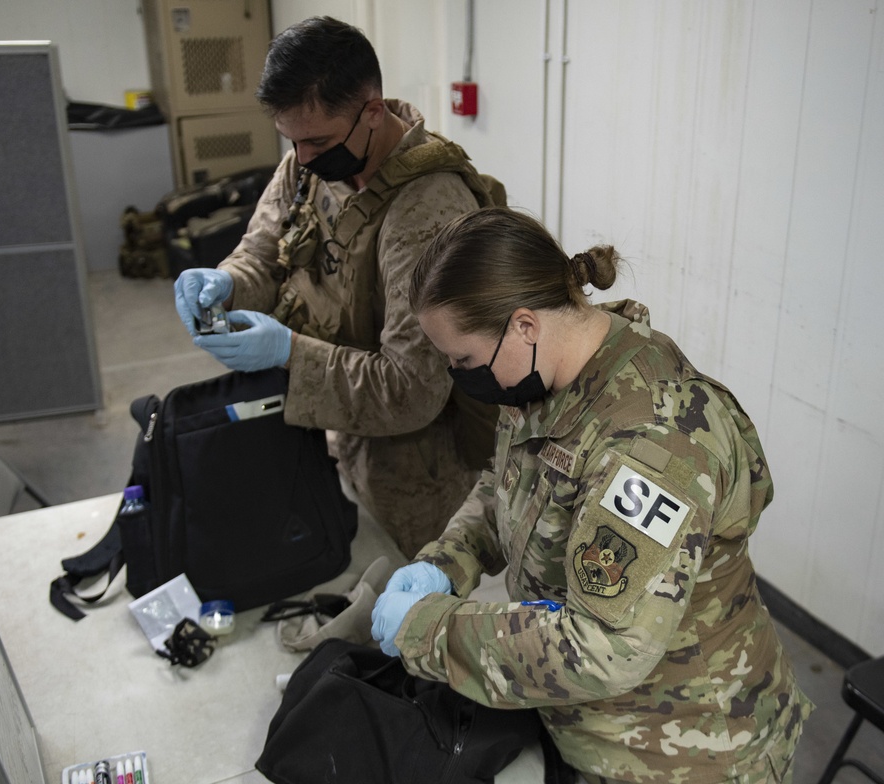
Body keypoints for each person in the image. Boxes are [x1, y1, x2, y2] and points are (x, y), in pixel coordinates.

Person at [371, 207, 813, 783]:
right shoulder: (544, 373)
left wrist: (430, 631)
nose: (460, 374)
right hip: (585, 726)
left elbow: (605, 646)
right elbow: (505, 483)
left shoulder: (654, 441)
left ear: (524, 325)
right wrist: (445, 562)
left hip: (684, 751)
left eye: (464, 360)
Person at [173, 16, 501, 558]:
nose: (301, 159)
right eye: (291, 141)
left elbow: (410, 390)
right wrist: (225, 282)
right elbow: (264, 251)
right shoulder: (314, 157)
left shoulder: (428, 213)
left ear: (373, 111)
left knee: (401, 610)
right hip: (328, 427)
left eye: (315, 141)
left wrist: (286, 353)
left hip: (410, 472)